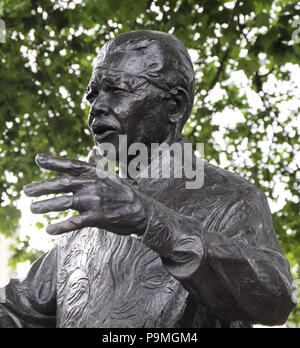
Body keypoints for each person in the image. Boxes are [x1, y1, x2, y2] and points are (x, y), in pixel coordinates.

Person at [0, 30, 296, 328]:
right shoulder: (94, 212)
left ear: (175, 106)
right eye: (93, 94)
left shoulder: (232, 198)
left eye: (117, 90)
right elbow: (18, 307)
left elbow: (274, 299)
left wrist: (152, 221)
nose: (97, 106)